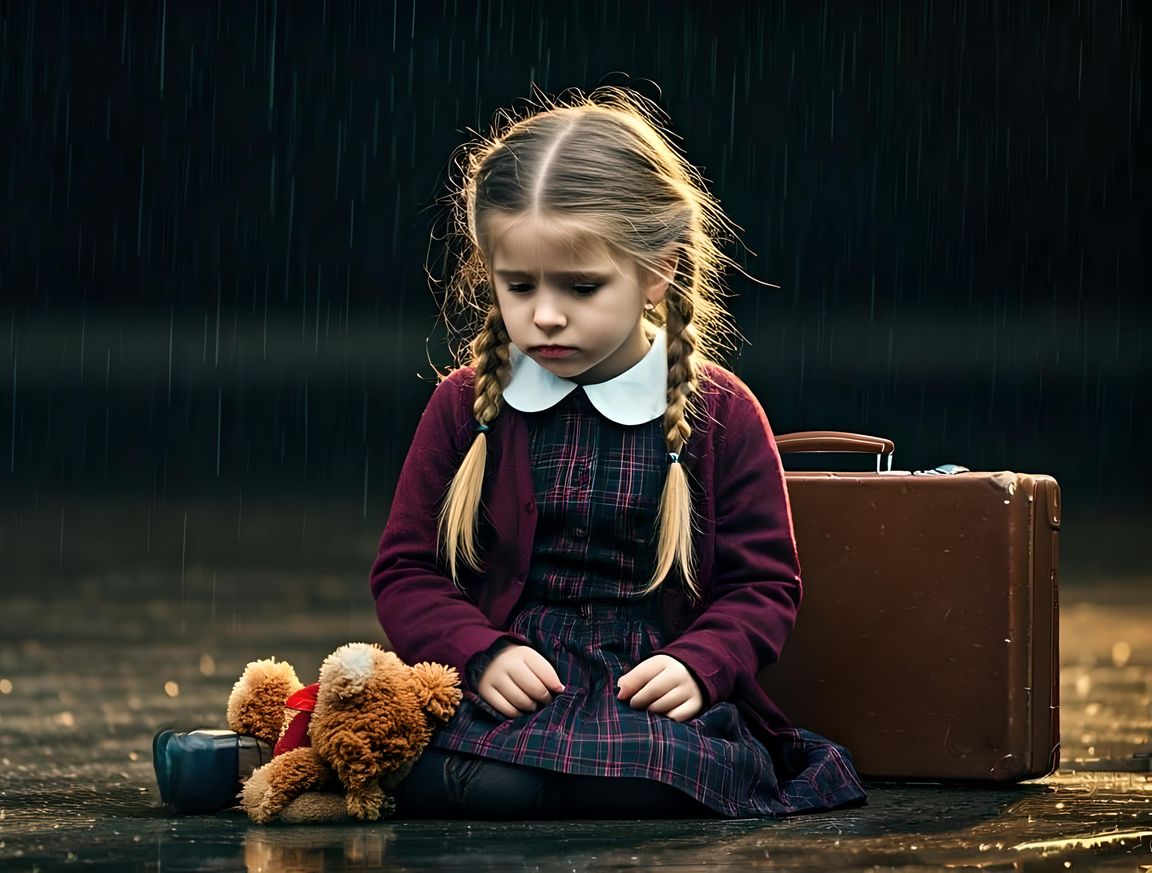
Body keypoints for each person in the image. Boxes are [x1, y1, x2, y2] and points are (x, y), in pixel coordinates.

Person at [154, 86, 869, 820]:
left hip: (643, 701)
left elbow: (764, 584)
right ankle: (298, 750)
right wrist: (481, 650)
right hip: (504, 686)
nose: (546, 314)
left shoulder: (721, 412)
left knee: (655, 779)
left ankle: (349, 773)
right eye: (519, 285)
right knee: (471, 764)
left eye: (582, 286)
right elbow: (406, 571)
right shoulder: (467, 406)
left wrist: (699, 663)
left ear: (658, 271)